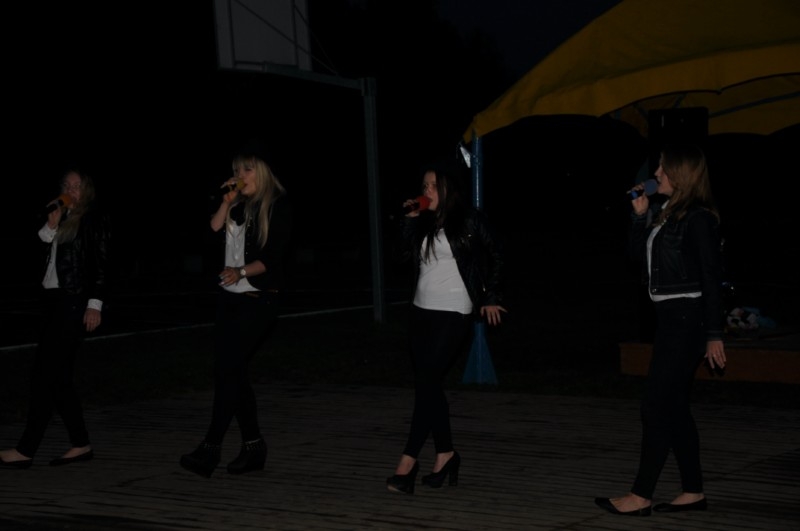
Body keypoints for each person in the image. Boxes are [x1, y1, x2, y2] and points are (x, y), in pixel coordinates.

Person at [595, 143, 727, 516]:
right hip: (669, 319)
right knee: (674, 407)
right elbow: (636, 260)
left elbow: (712, 277)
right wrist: (640, 217)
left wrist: (714, 333)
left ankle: (641, 496)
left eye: (662, 169)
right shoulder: (667, 213)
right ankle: (693, 491)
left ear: (680, 174)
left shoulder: (698, 218)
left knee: (655, 406)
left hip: (687, 319)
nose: (655, 175)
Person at [385, 157, 506, 495]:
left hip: (454, 310)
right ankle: (446, 455)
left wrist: (491, 296)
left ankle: (408, 462)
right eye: (424, 186)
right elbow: (400, 258)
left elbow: (497, 253)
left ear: (447, 188)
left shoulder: (469, 219)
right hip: (420, 311)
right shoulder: (423, 221)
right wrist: (409, 222)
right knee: (429, 386)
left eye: (433, 186)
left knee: (427, 383)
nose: (426, 191)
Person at [180, 139, 292, 478]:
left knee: (229, 369)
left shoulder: (277, 205)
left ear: (262, 171)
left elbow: (272, 259)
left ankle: (210, 447)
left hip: (258, 299)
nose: (240, 175)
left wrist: (241, 272)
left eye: (247, 169)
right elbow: (210, 234)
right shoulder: (235, 204)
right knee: (230, 371)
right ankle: (253, 447)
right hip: (229, 298)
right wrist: (225, 202)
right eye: (236, 170)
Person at [0, 167, 110, 469]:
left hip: (73, 302)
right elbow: (40, 255)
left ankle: (26, 449)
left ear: (86, 190)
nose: (70, 190)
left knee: (44, 377)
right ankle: (81, 444)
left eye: (76, 186)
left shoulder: (92, 219)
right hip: (52, 302)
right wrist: (51, 224)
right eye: (66, 185)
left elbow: (101, 264)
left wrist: (95, 304)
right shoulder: (60, 219)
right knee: (59, 379)